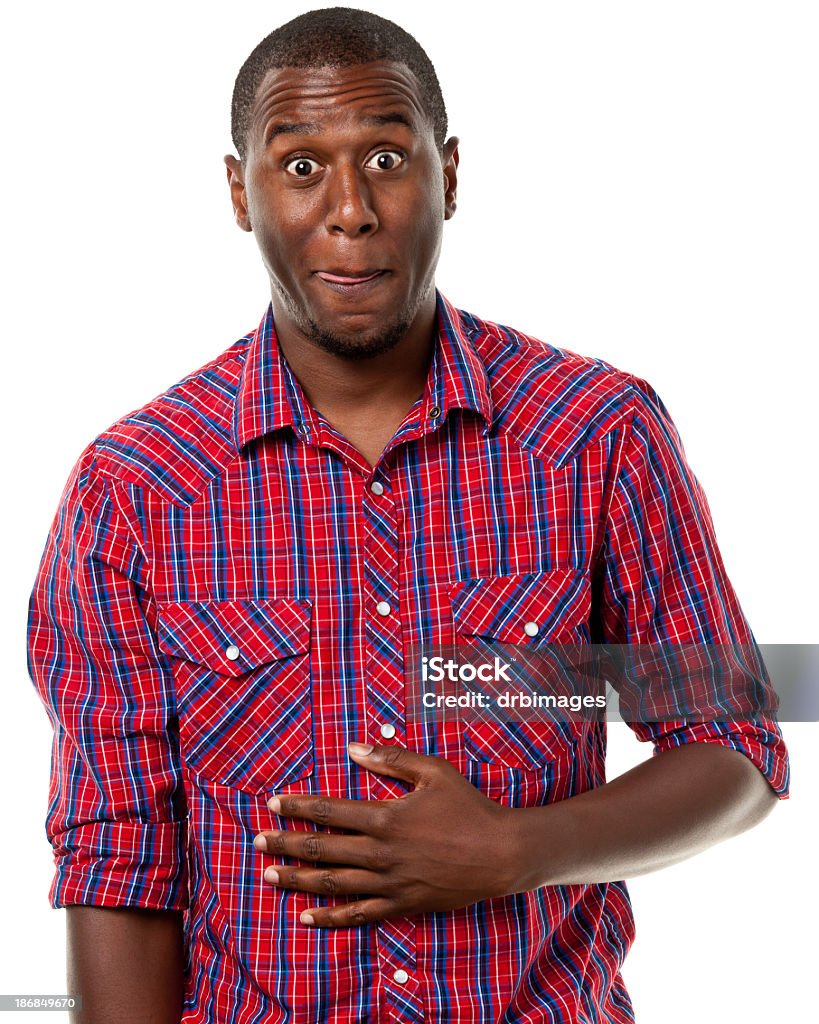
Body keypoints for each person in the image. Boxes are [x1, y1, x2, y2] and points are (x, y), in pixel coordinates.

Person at [26, 7, 789, 1023]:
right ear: (238, 192)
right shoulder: (135, 490)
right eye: (300, 166)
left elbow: (734, 742)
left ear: (451, 173)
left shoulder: (599, 434)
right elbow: (118, 857)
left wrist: (519, 850)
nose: (351, 209)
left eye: (388, 155)